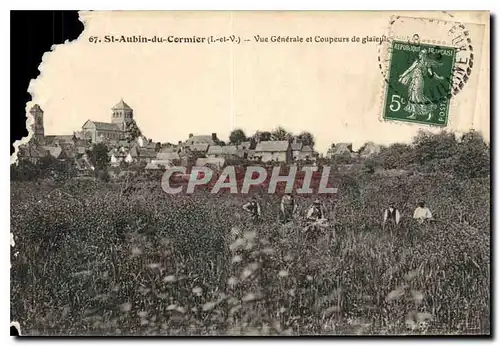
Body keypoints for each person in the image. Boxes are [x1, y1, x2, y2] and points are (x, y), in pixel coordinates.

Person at [398, 49, 444, 120]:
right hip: (413, 80)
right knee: (412, 96)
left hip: (419, 81)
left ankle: (430, 111)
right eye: (419, 54)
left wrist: (437, 76)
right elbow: (409, 69)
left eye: (420, 54)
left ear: (423, 55)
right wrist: (403, 75)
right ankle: (414, 113)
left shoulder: (426, 63)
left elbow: (431, 74)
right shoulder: (416, 62)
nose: (419, 55)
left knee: (418, 96)